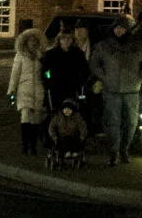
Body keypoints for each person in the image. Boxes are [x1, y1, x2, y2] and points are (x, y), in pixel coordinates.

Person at [88, 16, 142, 164]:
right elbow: (94, 64)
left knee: (130, 122)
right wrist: (104, 77)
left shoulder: (138, 47)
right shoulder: (104, 46)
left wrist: (140, 78)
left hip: (132, 90)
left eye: (122, 28)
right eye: (117, 28)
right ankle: (114, 152)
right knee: (112, 123)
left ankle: (124, 150)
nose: (119, 31)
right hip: (111, 90)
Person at [8, 27, 48, 156]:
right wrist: (11, 90)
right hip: (24, 89)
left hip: (38, 88)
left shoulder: (41, 56)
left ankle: (33, 146)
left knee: (36, 119)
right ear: (25, 42)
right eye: (30, 40)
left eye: (34, 40)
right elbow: (15, 73)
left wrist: (48, 79)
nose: (33, 43)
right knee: (25, 116)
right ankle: (25, 146)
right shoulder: (20, 56)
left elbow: (47, 72)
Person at [39, 28, 89, 114]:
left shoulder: (78, 53)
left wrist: (80, 81)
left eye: (69, 38)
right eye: (64, 38)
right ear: (59, 40)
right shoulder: (51, 54)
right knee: (56, 111)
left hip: (72, 88)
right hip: (55, 87)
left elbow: (84, 70)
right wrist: (49, 80)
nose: (67, 40)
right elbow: (46, 71)